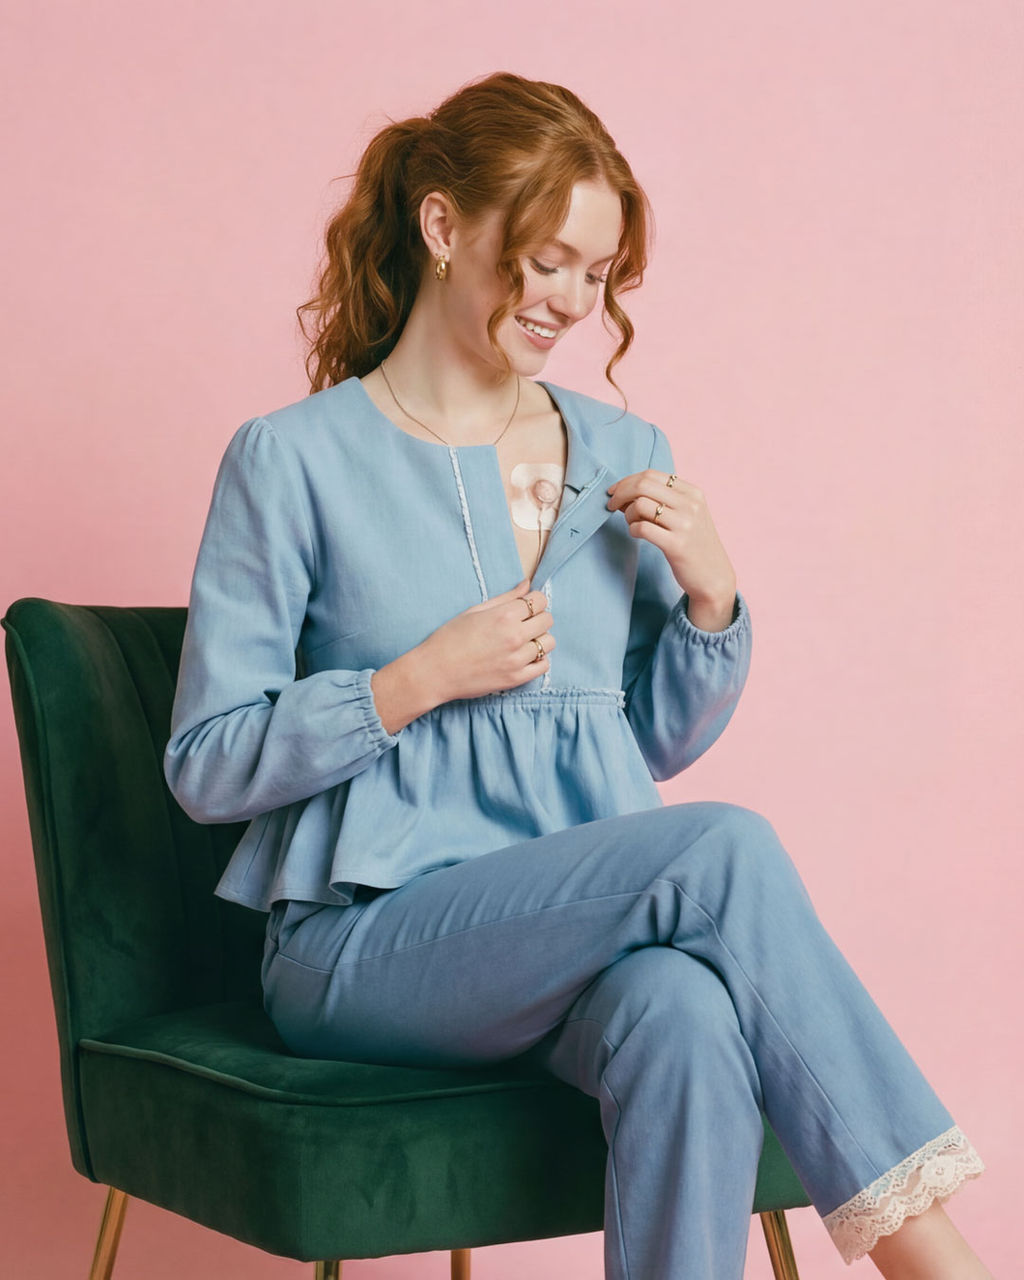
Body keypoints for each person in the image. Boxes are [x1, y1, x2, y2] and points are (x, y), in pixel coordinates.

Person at [163, 71, 992, 1280]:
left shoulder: (621, 452)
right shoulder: (292, 459)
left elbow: (635, 744)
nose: (568, 300)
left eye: (595, 275)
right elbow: (204, 762)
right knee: (721, 849)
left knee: (685, 1011)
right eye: (544, 260)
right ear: (444, 227)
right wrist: (411, 680)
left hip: (567, 935)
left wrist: (711, 597)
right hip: (363, 948)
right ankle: (938, 1260)